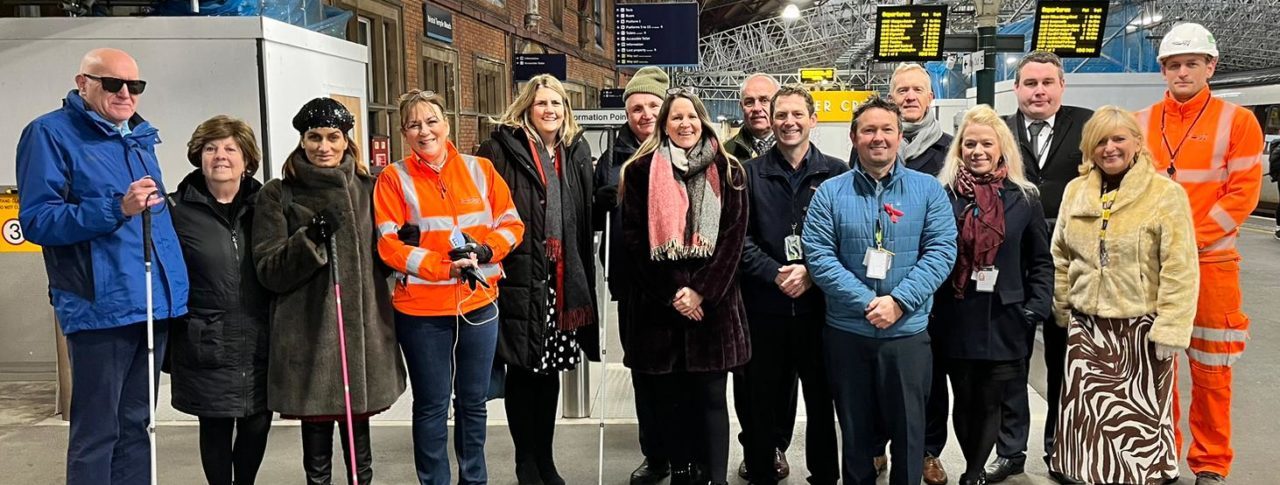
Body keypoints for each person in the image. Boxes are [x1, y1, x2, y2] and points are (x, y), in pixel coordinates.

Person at [15, 47, 189, 485]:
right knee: (97, 431)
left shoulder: (138, 137)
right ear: (83, 84)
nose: (125, 93)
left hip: (150, 306)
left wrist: (176, 293)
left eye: (135, 86)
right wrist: (116, 207)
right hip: (100, 309)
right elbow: (37, 220)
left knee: (138, 426)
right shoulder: (49, 134)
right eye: (112, 84)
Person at [802, 96, 957, 485]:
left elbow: (942, 250)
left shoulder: (928, 190)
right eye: (868, 130)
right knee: (855, 434)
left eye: (887, 129)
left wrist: (900, 302)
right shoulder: (830, 193)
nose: (878, 138)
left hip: (906, 336)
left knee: (909, 432)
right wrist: (869, 302)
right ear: (854, 137)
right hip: (847, 333)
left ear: (899, 136)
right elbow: (819, 257)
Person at [373, 90, 524, 485]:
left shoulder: (481, 169)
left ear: (447, 123)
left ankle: (474, 480)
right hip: (422, 311)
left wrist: (486, 249)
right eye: (413, 124)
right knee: (431, 406)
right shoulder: (393, 178)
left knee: (474, 403)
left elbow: (512, 224)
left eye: (431, 121)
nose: (424, 131)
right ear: (404, 132)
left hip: (479, 304)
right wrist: (445, 267)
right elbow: (389, 246)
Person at [253, 97, 407, 485]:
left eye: (333, 137)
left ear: (346, 141)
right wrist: (311, 239)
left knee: (360, 448)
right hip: (309, 341)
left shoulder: (371, 189)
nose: (324, 146)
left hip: (364, 341)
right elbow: (269, 271)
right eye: (314, 137)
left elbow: (384, 263)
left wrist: (400, 248)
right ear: (302, 141)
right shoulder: (279, 194)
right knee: (317, 446)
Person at [1136, 22, 1264, 485]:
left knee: (1212, 369)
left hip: (1211, 266)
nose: (1182, 72)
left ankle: (1210, 463)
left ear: (1211, 66)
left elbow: (1242, 195)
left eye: (1192, 63)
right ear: (1163, 70)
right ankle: (1161, 455)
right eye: (1173, 64)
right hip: (1156, 269)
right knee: (1158, 366)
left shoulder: (1238, 122)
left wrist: (1188, 241)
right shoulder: (1141, 123)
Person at [1049, 105, 1199, 485]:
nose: (1109, 148)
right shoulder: (1076, 191)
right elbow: (1061, 254)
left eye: (1118, 139)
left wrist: (1172, 326)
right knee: (1086, 413)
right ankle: (1083, 470)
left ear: (1136, 142)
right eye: (1100, 140)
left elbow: (1180, 267)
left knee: (1140, 415)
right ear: (1089, 147)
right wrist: (1062, 305)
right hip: (1087, 328)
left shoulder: (1166, 194)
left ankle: (1144, 472)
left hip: (1141, 329)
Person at [619, 87, 749, 485]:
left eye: (691, 116)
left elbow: (732, 240)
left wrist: (701, 292)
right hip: (662, 308)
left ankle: (715, 477)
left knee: (711, 399)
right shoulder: (640, 172)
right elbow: (636, 242)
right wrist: (678, 292)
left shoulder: (730, 171)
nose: (684, 124)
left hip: (715, 306)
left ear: (703, 119)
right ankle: (681, 473)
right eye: (675, 117)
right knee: (670, 401)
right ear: (665, 125)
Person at [476, 74, 598, 485]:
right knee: (523, 372)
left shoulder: (574, 152)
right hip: (520, 278)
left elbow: (586, 211)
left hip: (562, 281)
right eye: (542, 103)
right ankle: (525, 461)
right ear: (527, 107)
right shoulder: (499, 150)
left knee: (550, 374)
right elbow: (484, 212)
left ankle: (546, 460)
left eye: (557, 104)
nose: (550, 110)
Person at [932, 105, 1054, 485]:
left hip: (1006, 317)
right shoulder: (943, 195)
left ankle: (973, 472)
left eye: (987, 143)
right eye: (970, 144)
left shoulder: (1024, 197)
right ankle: (971, 461)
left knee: (991, 399)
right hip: (955, 314)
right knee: (963, 398)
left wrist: (1034, 309)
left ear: (1002, 148)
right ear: (959, 149)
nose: (978, 151)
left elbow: (1040, 260)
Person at [993, 50, 1094, 485]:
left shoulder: (1087, 126)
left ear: (1061, 86)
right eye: (1030, 83)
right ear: (1016, 89)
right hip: (1013, 270)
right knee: (1011, 365)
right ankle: (1010, 451)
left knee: (1064, 363)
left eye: (1047, 83)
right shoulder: (999, 131)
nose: (1039, 91)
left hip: (1073, 267)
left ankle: (1060, 447)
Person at [737, 84, 844, 485]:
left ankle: (825, 475)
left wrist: (812, 273)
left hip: (820, 310)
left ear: (813, 120)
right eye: (781, 115)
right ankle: (762, 471)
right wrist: (774, 272)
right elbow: (739, 240)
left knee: (821, 400)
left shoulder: (837, 174)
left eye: (798, 114)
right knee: (761, 400)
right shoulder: (748, 175)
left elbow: (845, 237)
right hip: (765, 307)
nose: (789, 122)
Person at [169, 115, 272, 485]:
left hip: (261, 335)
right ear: (199, 156)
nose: (220, 156)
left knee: (257, 423)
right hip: (205, 338)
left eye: (231, 148)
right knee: (214, 427)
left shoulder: (268, 206)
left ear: (247, 160)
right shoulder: (176, 210)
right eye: (211, 148)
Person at [590, 66, 673, 485]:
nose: (644, 114)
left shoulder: (682, 146)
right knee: (643, 374)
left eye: (652, 106)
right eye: (635, 108)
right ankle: (655, 455)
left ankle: (685, 454)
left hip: (679, 286)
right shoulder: (612, 156)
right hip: (633, 285)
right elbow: (591, 216)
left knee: (682, 375)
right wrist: (599, 202)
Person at [879, 61, 957, 485]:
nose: (909, 97)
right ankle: (877, 448)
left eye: (917, 90)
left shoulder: (950, 150)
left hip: (933, 285)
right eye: (901, 90)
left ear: (931, 97)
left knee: (930, 378)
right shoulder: (872, 146)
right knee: (878, 376)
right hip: (880, 285)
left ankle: (928, 451)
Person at [722, 71, 793, 482]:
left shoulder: (793, 150)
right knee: (746, 375)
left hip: (791, 286)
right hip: (744, 284)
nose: (757, 107)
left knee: (786, 377)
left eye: (764, 100)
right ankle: (755, 447)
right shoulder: (727, 154)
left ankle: (778, 445)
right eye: (749, 101)